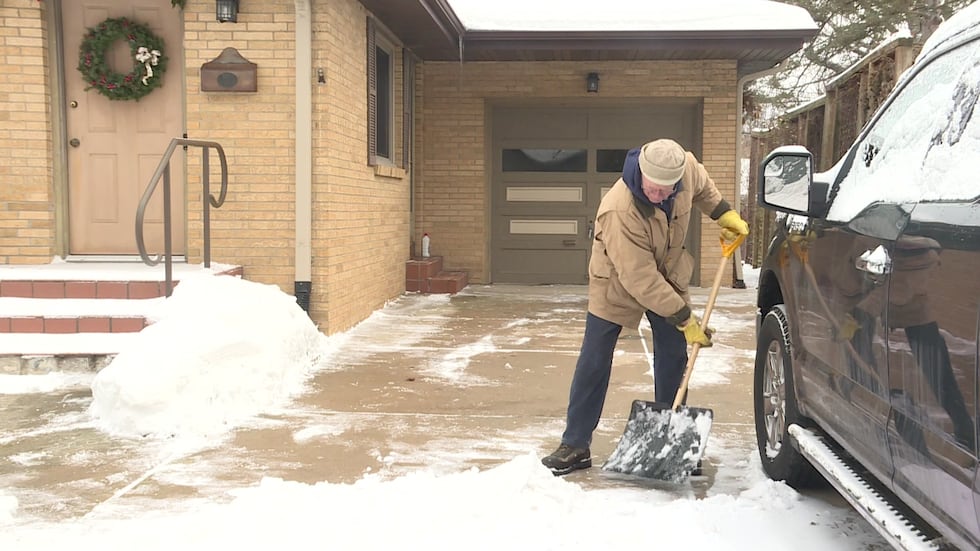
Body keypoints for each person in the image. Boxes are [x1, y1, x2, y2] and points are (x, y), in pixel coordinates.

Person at [541, 138, 749, 475]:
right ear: (641, 175)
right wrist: (684, 317)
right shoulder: (618, 209)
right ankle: (575, 444)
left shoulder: (687, 171)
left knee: (673, 354)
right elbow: (640, 278)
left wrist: (724, 214)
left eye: (667, 191)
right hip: (618, 279)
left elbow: (704, 189)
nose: (660, 196)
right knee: (595, 358)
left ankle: (669, 439)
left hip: (666, 272)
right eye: (653, 190)